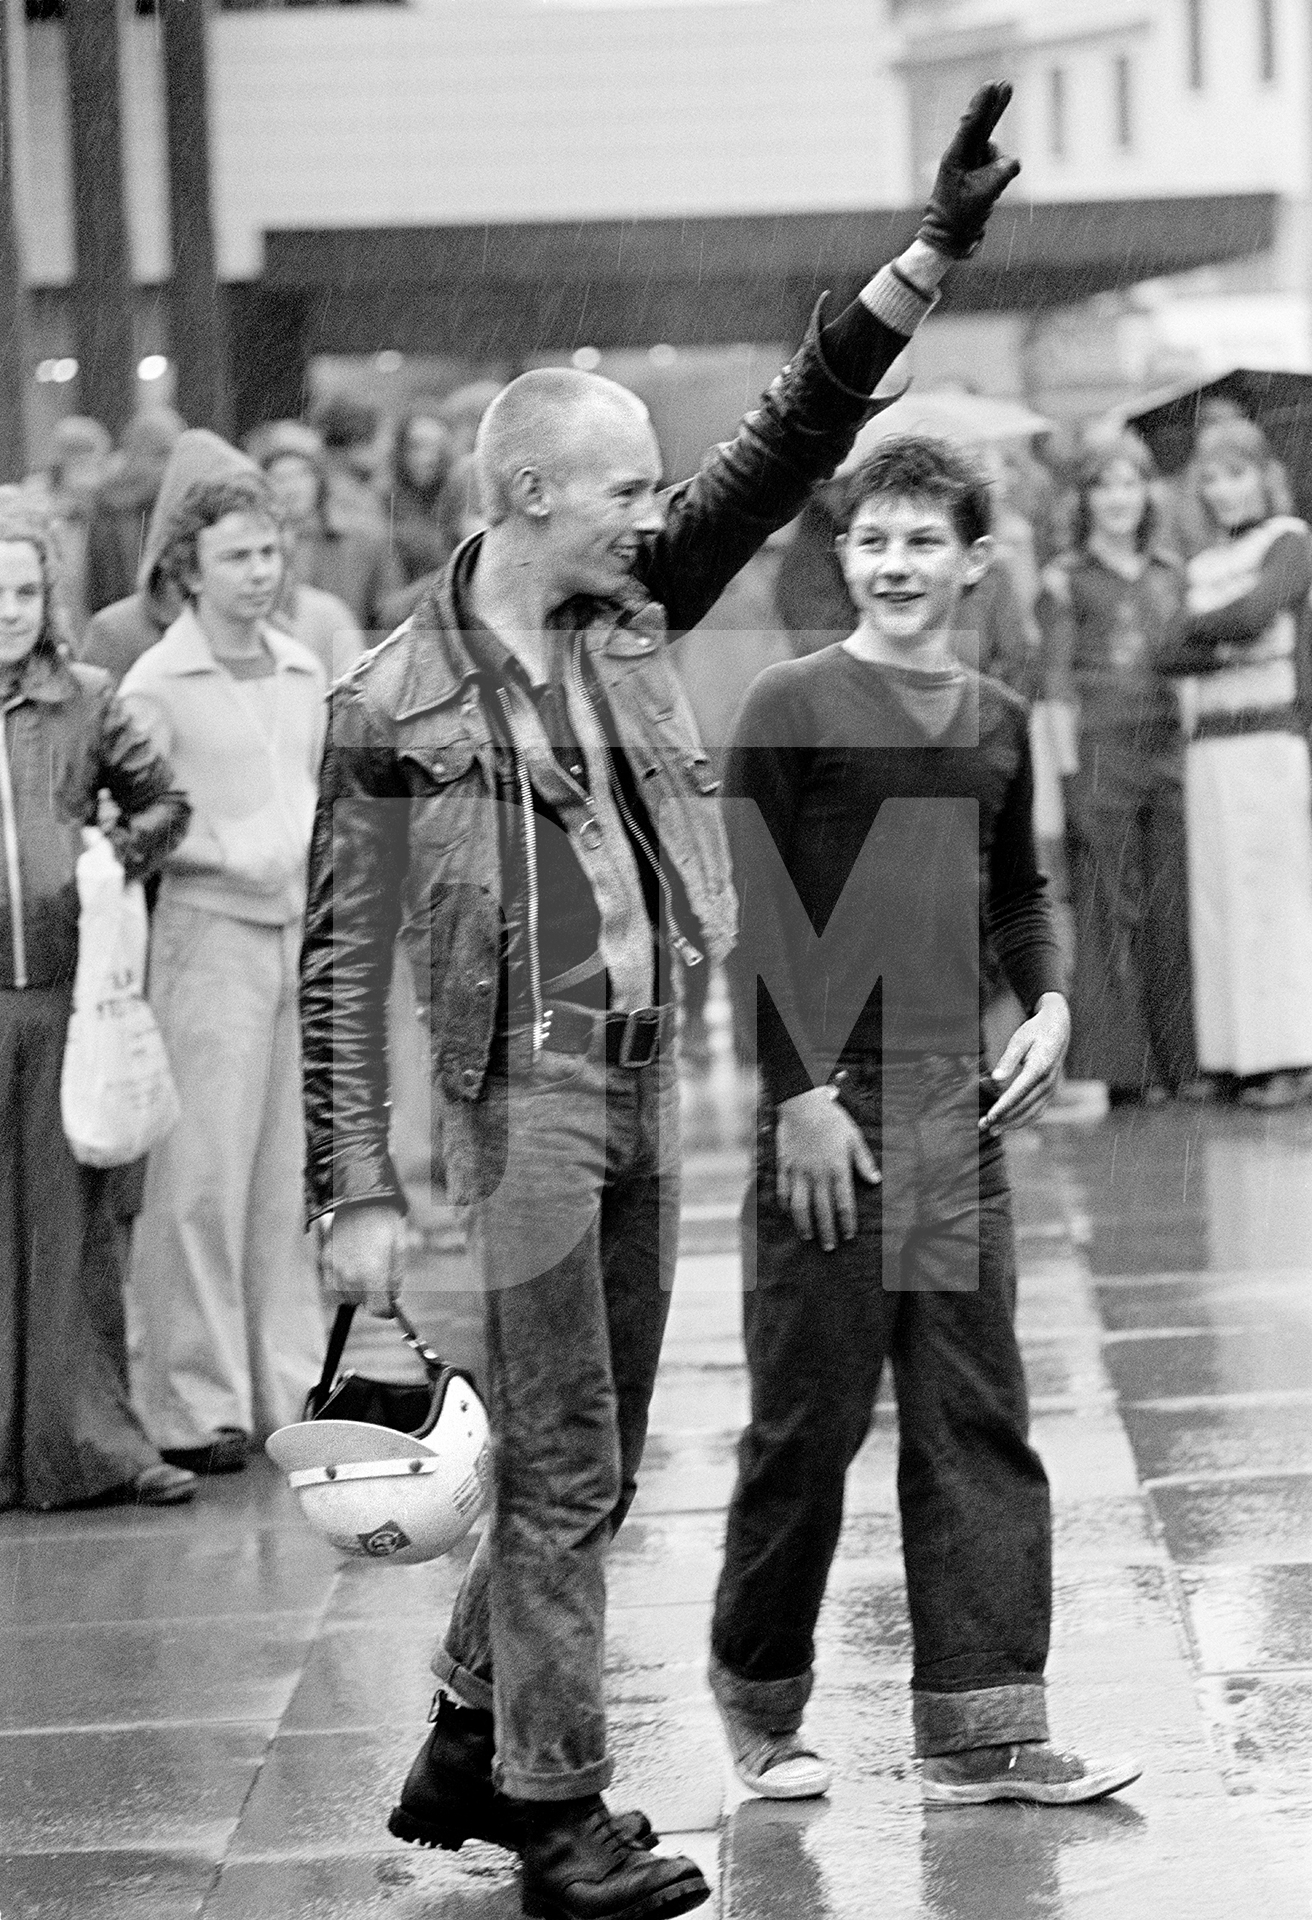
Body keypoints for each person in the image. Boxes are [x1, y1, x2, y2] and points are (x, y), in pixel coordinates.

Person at [302, 84, 1025, 1920]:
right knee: (559, 1468)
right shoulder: (390, 704)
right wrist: (355, 1192)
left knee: (597, 1459)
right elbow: (341, 965)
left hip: (642, 1085)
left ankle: (475, 1729)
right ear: (533, 494)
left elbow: (788, 440)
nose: (662, 510)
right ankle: (557, 1812)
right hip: (521, 1104)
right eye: (630, 484)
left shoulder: (628, 604)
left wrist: (923, 261)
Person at [708, 435, 1142, 1810]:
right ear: (844, 556)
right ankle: (761, 1698)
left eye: (923, 542)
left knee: (974, 1418)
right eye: (875, 540)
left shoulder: (1000, 719)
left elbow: (1020, 895)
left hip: (955, 1111)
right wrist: (795, 1098)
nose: (898, 564)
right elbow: (757, 921)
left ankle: (985, 1730)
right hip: (828, 1122)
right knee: (808, 1427)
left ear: (974, 562)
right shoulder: (789, 702)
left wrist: (1054, 1005)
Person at [119, 471, 327, 1475]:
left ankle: (279, 1382)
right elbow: (124, 822)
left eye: (267, 552)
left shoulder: (299, 668)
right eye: (235, 556)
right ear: (187, 570)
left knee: (282, 1177)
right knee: (197, 1179)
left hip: (292, 941)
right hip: (205, 937)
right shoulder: (157, 684)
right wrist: (213, 845)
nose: (257, 573)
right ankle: (194, 1401)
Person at [0, 492, 195, 1510]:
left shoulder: (86, 696)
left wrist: (111, 855)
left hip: (67, 1008)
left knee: (73, 1240)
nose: (9, 609)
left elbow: (169, 803)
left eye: (25, 590)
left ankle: (90, 1445)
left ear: (49, 596)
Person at [1037, 430, 1199, 1102]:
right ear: (1083, 498)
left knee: (1170, 909)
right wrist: (1069, 779)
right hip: (1099, 756)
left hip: (1166, 754)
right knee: (1109, 911)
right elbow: (1052, 687)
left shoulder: (1171, 571)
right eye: (1103, 484)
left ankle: (1179, 1066)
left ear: (1147, 494)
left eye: (1130, 483)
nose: (1118, 499)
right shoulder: (1063, 579)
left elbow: (1189, 667)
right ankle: (1124, 1074)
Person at [1156, 417, 1312, 1109]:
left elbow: (1257, 609)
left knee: (1273, 900)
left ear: (1263, 474)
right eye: (1210, 478)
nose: (1223, 490)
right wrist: (1223, 640)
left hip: (1268, 738)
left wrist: (1207, 631)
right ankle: (1231, 1054)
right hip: (1212, 746)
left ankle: (1289, 1053)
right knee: (1219, 899)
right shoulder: (1199, 563)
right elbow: (1166, 651)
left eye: (1235, 473)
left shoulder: (1290, 540)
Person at [255, 419, 401, 635]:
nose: (291, 487)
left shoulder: (362, 541)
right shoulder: (255, 548)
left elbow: (388, 614)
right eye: (279, 477)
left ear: (318, 479)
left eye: (301, 473)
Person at [84, 408, 185, 616]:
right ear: (134, 454)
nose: (171, 466)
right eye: (162, 454)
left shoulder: (182, 503)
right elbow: (99, 589)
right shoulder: (108, 506)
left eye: (177, 454)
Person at [383, 402, 461, 585]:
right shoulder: (382, 501)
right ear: (400, 450)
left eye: (438, 448)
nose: (428, 458)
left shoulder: (457, 500)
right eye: (417, 446)